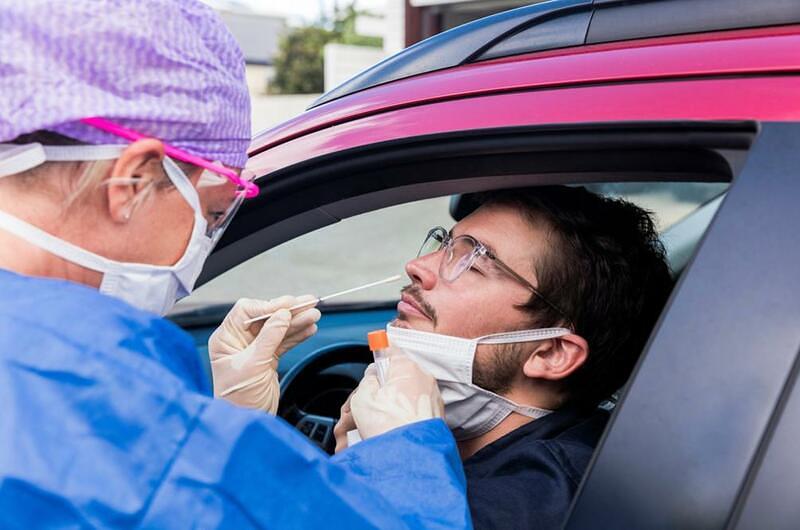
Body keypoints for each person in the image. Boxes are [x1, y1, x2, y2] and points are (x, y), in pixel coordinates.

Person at [0, 1, 471, 528]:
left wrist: (223, 423)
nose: (206, 238)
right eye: (217, 212)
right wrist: (404, 454)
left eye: (475, 260)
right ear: (132, 182)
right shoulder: (95, 389)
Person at [335, 185, 673, 529]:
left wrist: (399, 460)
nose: (417, 266)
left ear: (551, 353)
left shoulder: (549, 496)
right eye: (445, 244)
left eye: (473, 263)